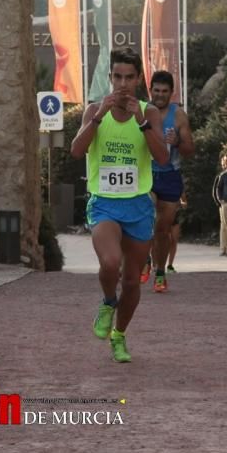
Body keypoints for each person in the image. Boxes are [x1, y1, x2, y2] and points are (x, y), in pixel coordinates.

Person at [70, 47, 168, 362]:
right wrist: (98, 117)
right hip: (104, 204)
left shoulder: (149, 113)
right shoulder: (94, 111)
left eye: (129, 77)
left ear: (139, 79)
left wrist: (142, 122)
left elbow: (163, 157)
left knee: (132, 279)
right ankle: (107, 302)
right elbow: (75, 151)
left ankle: (119, 335)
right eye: (117, 77)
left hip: (138, 205)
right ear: (110, 78)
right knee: (110, 263)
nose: (122, 84)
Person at [143, 70, 195, 293]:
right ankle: (145, 258)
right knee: (146, 220)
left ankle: (160, 271)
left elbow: (190, 150)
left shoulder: (179, 115)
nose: (160, 95)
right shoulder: (141, 112)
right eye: (156, 90)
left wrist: (176, 143)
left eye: (165, 91)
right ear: (150, 90)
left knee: (163, 229)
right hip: (145, 174)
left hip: (170, 174)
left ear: (171, 93)